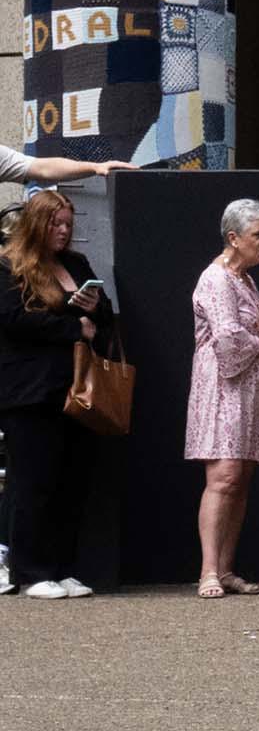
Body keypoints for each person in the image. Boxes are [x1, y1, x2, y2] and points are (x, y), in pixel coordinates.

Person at [0, 190, 113, 596]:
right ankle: (30, 572)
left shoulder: (77, 263)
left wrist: (94, 306)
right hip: (31, 391)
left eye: (68, 224)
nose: (63, 232)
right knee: (34, 482)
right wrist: (71, 322)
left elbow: (103, 317)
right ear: (36, 224)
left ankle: (63, 566)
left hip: (78, 388)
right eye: (55, 224)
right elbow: (13, 320)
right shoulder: (10, 266)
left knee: (73, 480)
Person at [185, 200, 259, 595]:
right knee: (224, 476)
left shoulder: (243, 279)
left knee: (241, 477)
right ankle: (208, 571)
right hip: (224, 388)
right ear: (233, 238)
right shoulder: (216, 279)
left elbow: (251, 331)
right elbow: (227, 338)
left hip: (249, 389)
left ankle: (226, 568)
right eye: (258, 235)